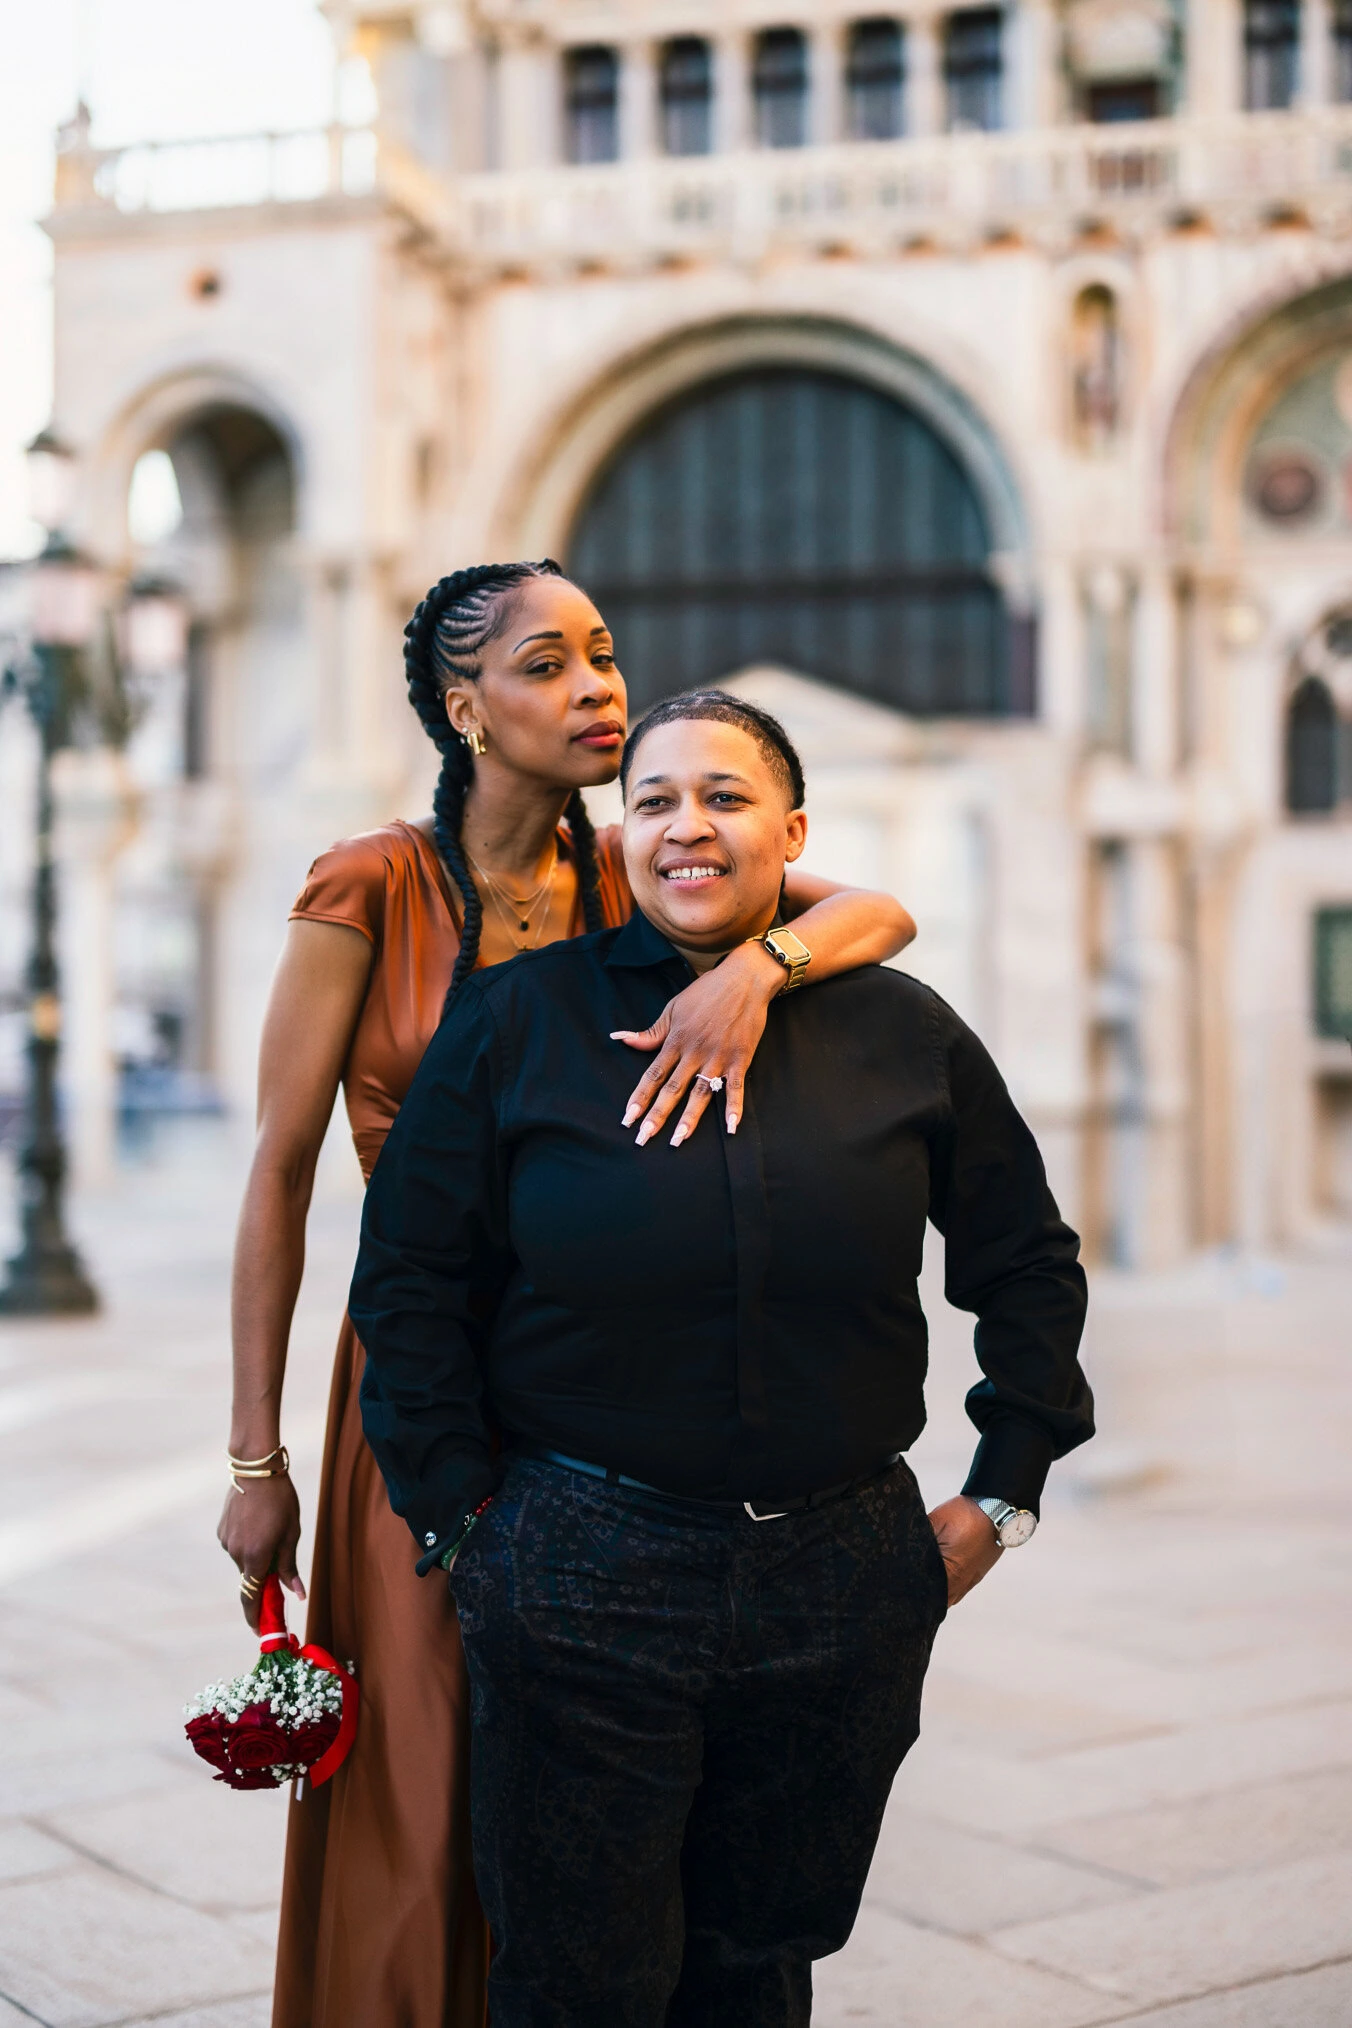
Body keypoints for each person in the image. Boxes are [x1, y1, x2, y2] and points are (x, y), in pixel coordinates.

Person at [216, 561, 915, 2028]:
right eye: (550, 664)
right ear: (465, 709)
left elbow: (882, 916)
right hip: (420, 1383)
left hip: (606, 1375)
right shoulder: (370, 882)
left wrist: (757, 970)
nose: (599, 686)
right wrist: (253, 1461)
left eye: (604, 653)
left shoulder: (638, 862)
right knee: (430, 1769)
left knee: (609, 1782)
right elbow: (278, 1172)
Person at [351, 688, 1094, 2028]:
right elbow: (409, 1280)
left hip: (845, 1575)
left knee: (760, 1964)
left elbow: (1028, 1263)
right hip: (577, 1562)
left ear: (793, 830)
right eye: (653, 801)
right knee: (580, 1982)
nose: (685, 827)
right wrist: (468, 1523)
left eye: (725, 797)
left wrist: (1004, 1492)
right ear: (619, 837)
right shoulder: (518, 1022)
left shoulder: (903, 1032)